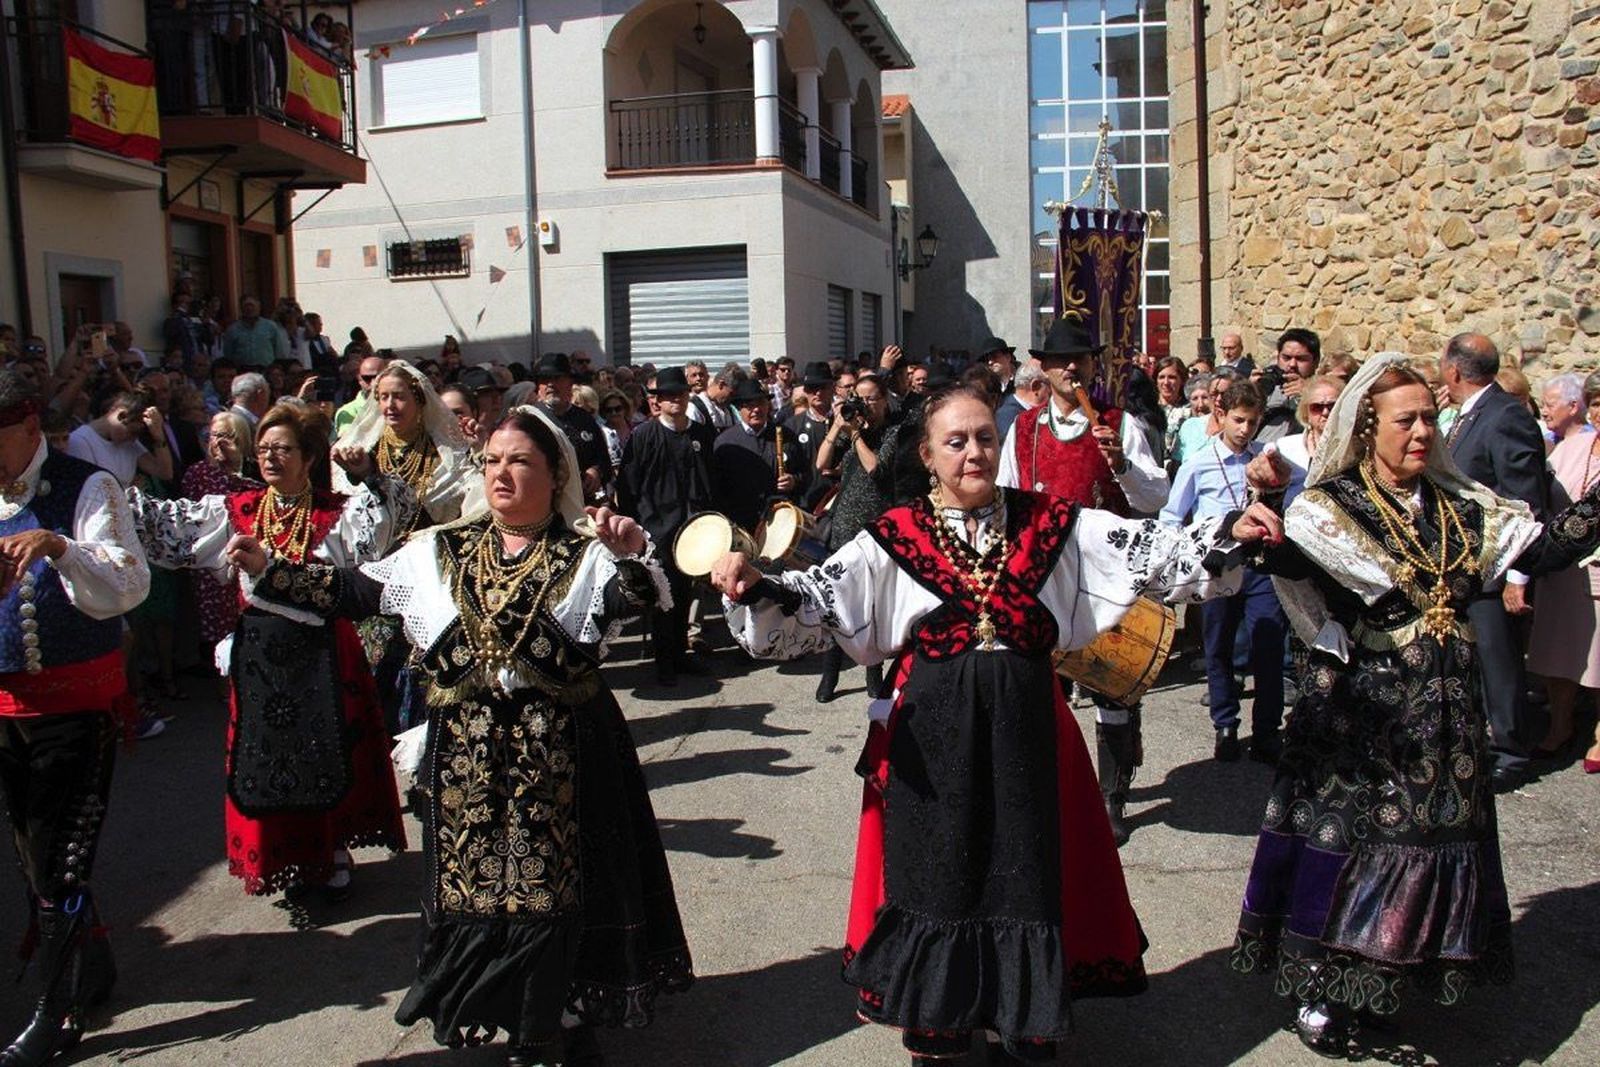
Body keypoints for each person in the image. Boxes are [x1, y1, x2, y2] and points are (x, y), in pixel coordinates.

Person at [710, 384, 1281, 1066]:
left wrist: (1226, 534)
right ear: (926, 454)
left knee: (1022, 871)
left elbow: (1151, 550)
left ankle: (1021, 1018)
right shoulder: (895, 537)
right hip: (934, 738)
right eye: (956, 441)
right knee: (940, 875)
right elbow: (818, 598)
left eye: (984, 437)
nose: (974, 451)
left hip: (1025, 734)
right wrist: (756, 583)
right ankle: (943, 1024)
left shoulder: (1051, 524)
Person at [231, 407, 693, 1066]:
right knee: (481, 893)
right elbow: (361, 591)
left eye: (521, 461)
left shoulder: (583, 554)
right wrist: (271, 570)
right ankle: (511, 1009)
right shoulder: (438, 551)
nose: (503, 472)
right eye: (494, 460)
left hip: (562, 753)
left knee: (554, 893)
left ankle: (549, 1022)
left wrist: (629, 557)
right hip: (469, 758)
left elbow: (633, 600)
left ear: (554, 472)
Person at [1231, 354, 1600, 1053]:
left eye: (1431, 416)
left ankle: (1387, 986)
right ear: (1368, 428)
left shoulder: (1462, 506)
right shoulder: (1332, 507)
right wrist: (1264, 534)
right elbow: (1295, 564)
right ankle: (1325, 991)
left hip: (1448, 714)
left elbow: (1544, 546)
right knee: (1359, 848)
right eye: (1408, 420)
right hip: (1364, 715)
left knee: (1430, 844)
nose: (1425, 431)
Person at [127, 403, 414, 897]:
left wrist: (367, 475)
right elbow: (166, 524)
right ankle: (282, 850)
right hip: (261, 655)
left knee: (328, 749)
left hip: (326, 651)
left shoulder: (335, 511)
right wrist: (109, 493)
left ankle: (332, 848)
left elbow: (392, 516)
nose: (271, 459)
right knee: (269, 756)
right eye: (263, 450)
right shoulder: (236, 509)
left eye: (283, 449)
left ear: (308, 457)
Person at [0, 368, 150, 1067]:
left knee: (60, 863)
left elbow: (128, 577)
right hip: (6, 707)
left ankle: (55, 1012)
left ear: (30, 427)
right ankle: (93, 967)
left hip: (76, 706)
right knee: (34, 857)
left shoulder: (86, 485)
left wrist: (62, 547)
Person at [996, 316, 1170, 846]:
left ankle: (1112, 795)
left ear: (1094, 367)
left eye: (1081, 359)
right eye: (1059, 361)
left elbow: (1155, 498)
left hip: (1103, 577)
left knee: (1110, 687)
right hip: (1041, 578)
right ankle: (1048, 789)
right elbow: (1006, 495)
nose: (1071, 368)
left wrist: (1121, 466)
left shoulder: (1120, 424)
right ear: (1043, 370)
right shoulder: (1023, 429)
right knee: (1042, 689)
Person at [1441, 332, 1549, 791]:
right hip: (1463, 564)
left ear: (1453, 371)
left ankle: (1511, 749)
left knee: (1499, 659)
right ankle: (1482, 741)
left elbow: (1526, 502)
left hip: (1494, 565)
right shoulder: (1470, 414)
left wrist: (1518, 575)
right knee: (1475, 659)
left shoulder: (1505, 417)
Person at [1163, 380, 1286, 763]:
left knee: (1268, 644)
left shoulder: (1262, 462)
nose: (1244, 429)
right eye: (1238, 420)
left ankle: (1267, 730)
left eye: (1252, 422)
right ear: (1221, 416)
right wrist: (1184, 555)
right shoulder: (1199, 462)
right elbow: (1171, 515)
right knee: (1218, 645)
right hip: (1216, 565)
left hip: (1257, 564)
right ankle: (1226, 724)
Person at [616, 367, 717, 687]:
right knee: (664, 596)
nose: (674, 400)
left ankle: (681, 654)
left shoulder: (701, 434)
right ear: (657, 401)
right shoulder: (644, 436)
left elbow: (711, 481)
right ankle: (665, 662)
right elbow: (629, 486)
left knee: (686, 592)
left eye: (680, 394)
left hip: (694, 529)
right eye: (667, 396)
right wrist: (637, 531)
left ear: (688, 397)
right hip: (658, 529)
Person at [1527, 377, 1600, 770]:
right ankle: (1560, 725)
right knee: (1560, 651)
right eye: (1597, 403)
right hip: (1563, 568)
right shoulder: (1570, 448)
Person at [810, 371, 892, 704]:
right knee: (838, 603)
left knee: (871, 606)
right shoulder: (851, 426)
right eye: (861, 398)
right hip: (843, 526)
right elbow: (821, 463)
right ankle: (830, 673)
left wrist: (857, 435)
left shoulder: (894, 431)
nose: (866, 404)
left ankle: (874, 673)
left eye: (872, 398)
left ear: (885, 399)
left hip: (875, 528)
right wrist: (837, 426)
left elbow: (876, 469)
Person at [713, 378, 808, 532]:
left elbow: (805, 473)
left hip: (780, 521)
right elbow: (718, 489)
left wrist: (794, 481)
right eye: (750, 405)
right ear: (739, 409)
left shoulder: (785, 435)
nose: (756, 409)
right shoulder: (725, 442)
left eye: (760, 403)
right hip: (742, 522)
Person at [532, 353, 611, 504]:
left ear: (570, 383)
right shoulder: (530, 420)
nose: (550, 384)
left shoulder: (585, 419)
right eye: (545, 380)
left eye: (557, 378)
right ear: (538, 387)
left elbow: (603, 459)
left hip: (583, 504)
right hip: (545, 504)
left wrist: (596, 471)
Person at [66, 389, 173, 489]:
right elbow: (88, 488)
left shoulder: (129, 443)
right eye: (132, 432)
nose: (132, 439)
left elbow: (165, 473)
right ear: (122, 416)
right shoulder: (81, 441)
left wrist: (159, 437)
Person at [1273, 374, 1345, 506]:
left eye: (1332, 406)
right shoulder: (1284, 447)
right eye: (1317, 407)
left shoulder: (1352, 449)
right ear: (1306, 413)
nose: (1325, 412)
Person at [1255, 328, 1320, 442]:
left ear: (1316, 362)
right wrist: (1249, 392)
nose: (1292, 364)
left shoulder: (1324, 392)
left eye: (1301, 359)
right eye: (1286, 358)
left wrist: (1309, 395)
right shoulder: (1267, 384)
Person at [785, 361, 837, 506]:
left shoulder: (844, 422)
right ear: (805, 391)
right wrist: (792, 480)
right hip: (805, 502)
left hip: (839, 501)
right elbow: (789, 467)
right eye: (812, 388)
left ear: (832, 388)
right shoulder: (792, 426)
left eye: (823, 387)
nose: (818, 393)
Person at [221, 296, 290, 369]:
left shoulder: (271, 327)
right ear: (241, 309)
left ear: (259, 307)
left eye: (252, 305)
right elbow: (228, 355)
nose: (249, 308)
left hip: (266, 370)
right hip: (242, 371)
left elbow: (279, 351)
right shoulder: (232, 330)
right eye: (246, 306)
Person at [1538, 371, 1589, 450]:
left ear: (1573, 407)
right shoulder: (1545, 442)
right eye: (1542, 406)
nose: (1544, 413)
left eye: (1550, 406)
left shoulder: (1593, 442)